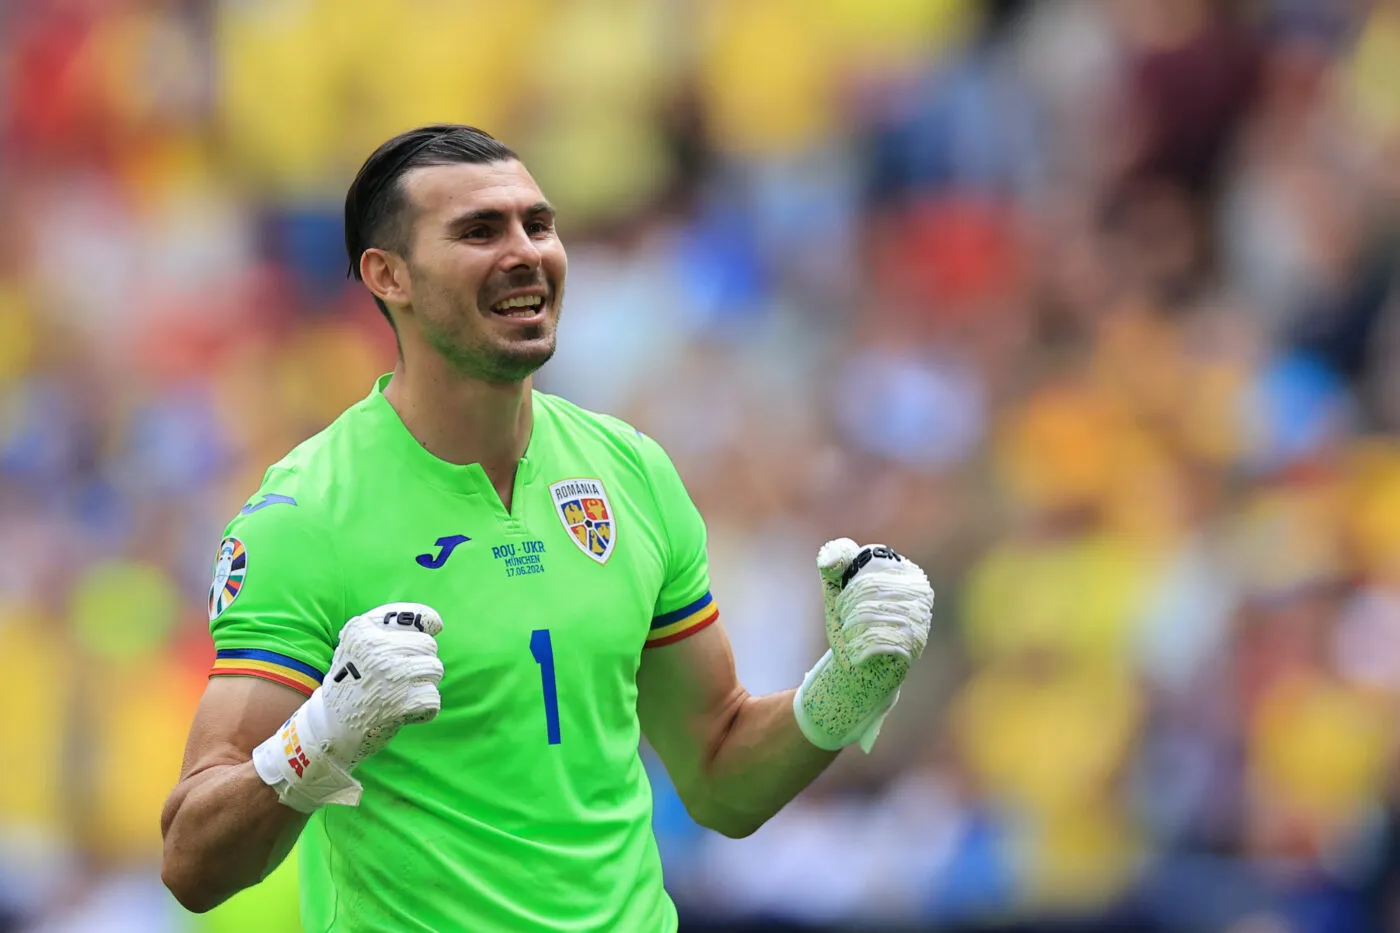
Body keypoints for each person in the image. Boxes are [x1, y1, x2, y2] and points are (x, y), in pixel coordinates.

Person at [159, 123, 934, 933]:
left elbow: (718, 774)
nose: (527, 251)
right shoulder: (306, 515)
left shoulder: (631, 472)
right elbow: (192, 862)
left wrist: (845, 689)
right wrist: (319, 738)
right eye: (479, 231)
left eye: (539, 223)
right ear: (388, 275)